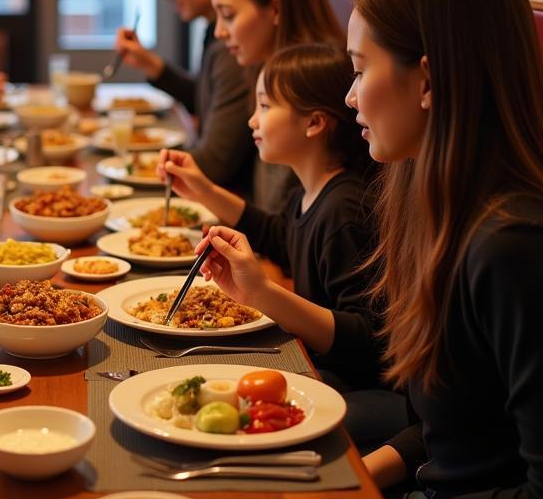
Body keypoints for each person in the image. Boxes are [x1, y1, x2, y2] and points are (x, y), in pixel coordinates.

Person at [347, 0, 543, 499]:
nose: (349, 96)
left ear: (426, 81)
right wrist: (354, 480)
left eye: (360, 68)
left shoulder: (513, 248)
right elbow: (453, 428)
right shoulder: (428, 206)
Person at [164, 43, 406, 448]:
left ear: (313, 123)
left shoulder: (344, 210)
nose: (252, 119)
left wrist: (262, 293)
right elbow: (280, 235)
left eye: (265, 105)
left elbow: (368, 343)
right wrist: (204, 190)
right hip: (321, 365)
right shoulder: (309, 191)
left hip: (360, 385)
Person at [113, 0, 252, 194]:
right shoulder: (213, 31)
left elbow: (214, 164)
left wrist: (129, 167)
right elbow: (206, 100)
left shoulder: (234, 48)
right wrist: (150, 64)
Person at [210, 0, 343, 210]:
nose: (219, 32)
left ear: (275, 9)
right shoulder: (263, 67)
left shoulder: (316, 84)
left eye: (229, 15)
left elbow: (286, 232)